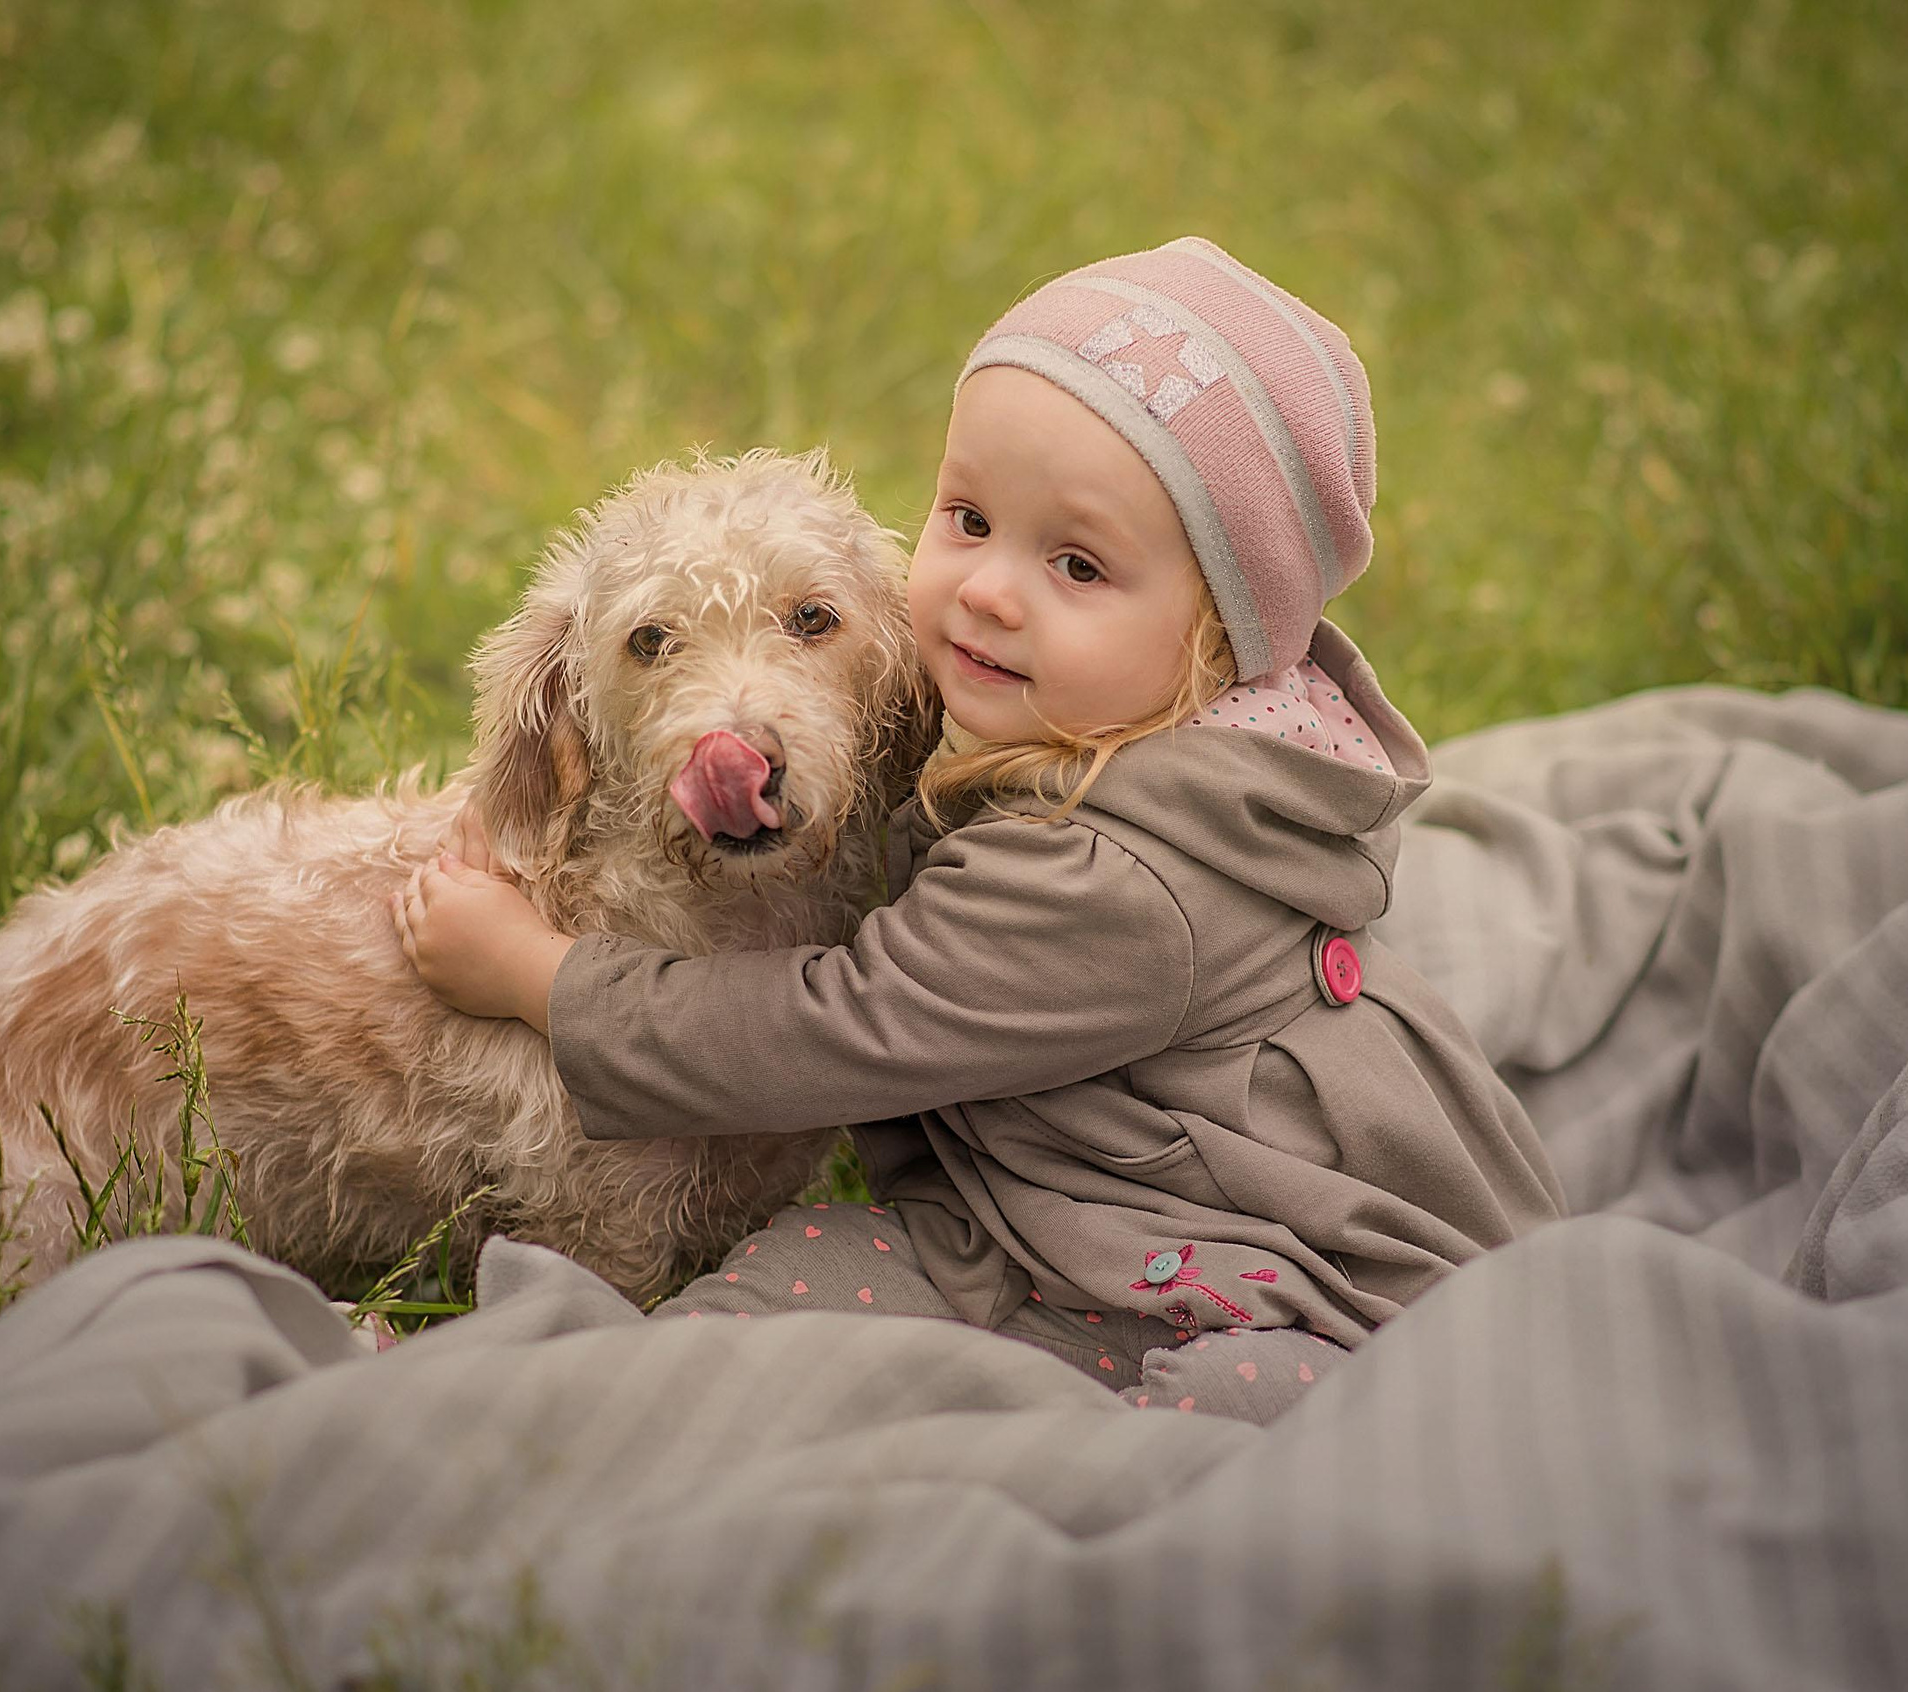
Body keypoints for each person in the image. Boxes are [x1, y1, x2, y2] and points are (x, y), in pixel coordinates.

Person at [395, 237, 1565, 1421]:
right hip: (1067, 1188)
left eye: (1075, 563)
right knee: (755, 1315)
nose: (991, 590)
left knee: (1234, 1419)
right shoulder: (1131, 724)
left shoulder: (1110, 885)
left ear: (1221, 634)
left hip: (1263, 1267)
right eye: (967, 516)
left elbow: (835, 1030)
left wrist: (541, 978)